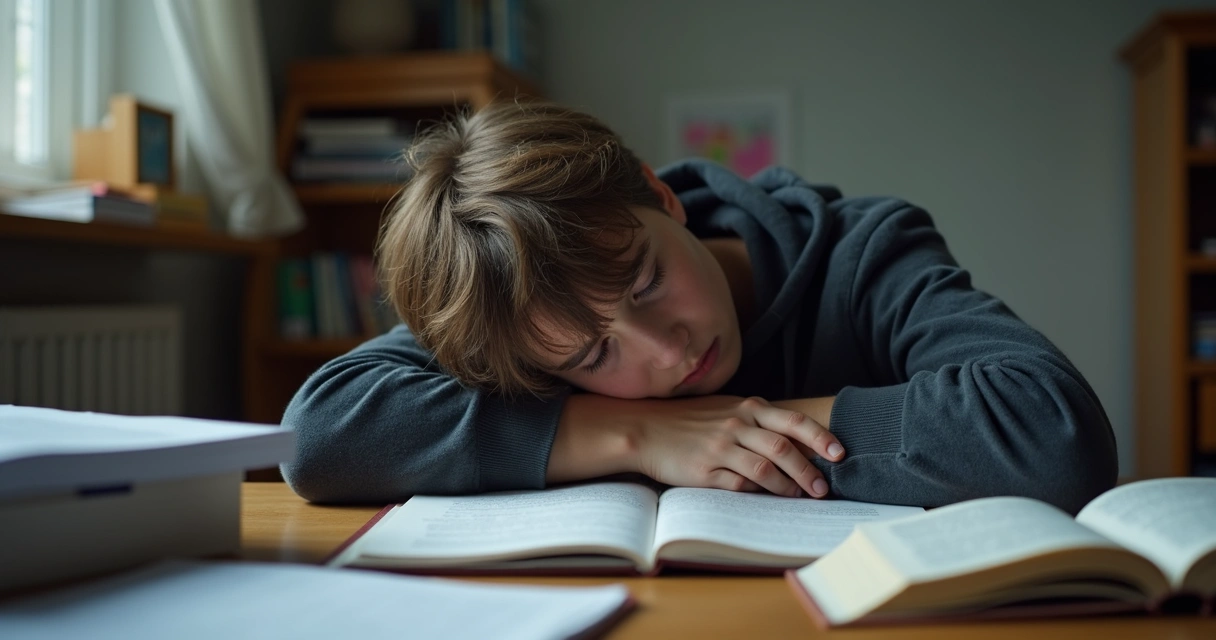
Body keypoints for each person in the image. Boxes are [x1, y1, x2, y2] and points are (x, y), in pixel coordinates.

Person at [280, 101, 1118, 513]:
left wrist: (742, 427)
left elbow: (1054, 431)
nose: (664, 351)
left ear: (660, 197)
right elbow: (321, 435)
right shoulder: (516, 314)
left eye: (645, 282)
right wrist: (636, 433)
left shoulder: (863, 251)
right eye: (592, 359)